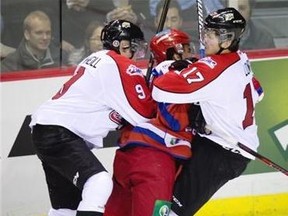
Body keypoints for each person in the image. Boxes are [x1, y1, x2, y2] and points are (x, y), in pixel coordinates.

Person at [29, 20, 155, 216]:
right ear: (120, 44)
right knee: (98, 181)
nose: (135, 52)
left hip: (45, 129)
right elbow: (144, 115)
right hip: (59, 132)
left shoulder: (98, 59)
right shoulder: (119, 64)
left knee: (66, 207)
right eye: (133, 46)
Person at [150, 7, 264, 216]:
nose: (205, 40)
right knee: (163, 201)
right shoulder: (240, 60)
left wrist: (169, 66)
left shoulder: (213, 69)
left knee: (170, 211)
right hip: (216, 144)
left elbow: (160, 89)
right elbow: (258, 91)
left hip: (221, 152)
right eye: (206, 32)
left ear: (227, 40)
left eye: (211, 35)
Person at [104, 28, 196, 216]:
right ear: (175, 50)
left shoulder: (152, 74)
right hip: (156, 161)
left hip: (126, 156)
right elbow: (175, 122)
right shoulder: (177, 72)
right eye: (187, 49)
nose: (191, 53)